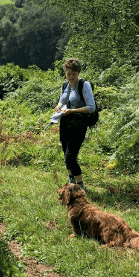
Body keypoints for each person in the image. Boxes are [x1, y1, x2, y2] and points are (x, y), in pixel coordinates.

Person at [54, 58, 95, 191]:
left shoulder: (84, 85)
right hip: (65, 122)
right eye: (68, 73)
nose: (71, 76)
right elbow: (62, 101)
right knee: (65, 152)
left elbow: (91, 107)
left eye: (73, 74)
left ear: (78, 73)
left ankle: (80, 186)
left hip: (78, 123)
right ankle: (71, 183)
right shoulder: (65, 85)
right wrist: (58, 107)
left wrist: (73, 110)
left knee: (71, 156)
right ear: (65, 72)